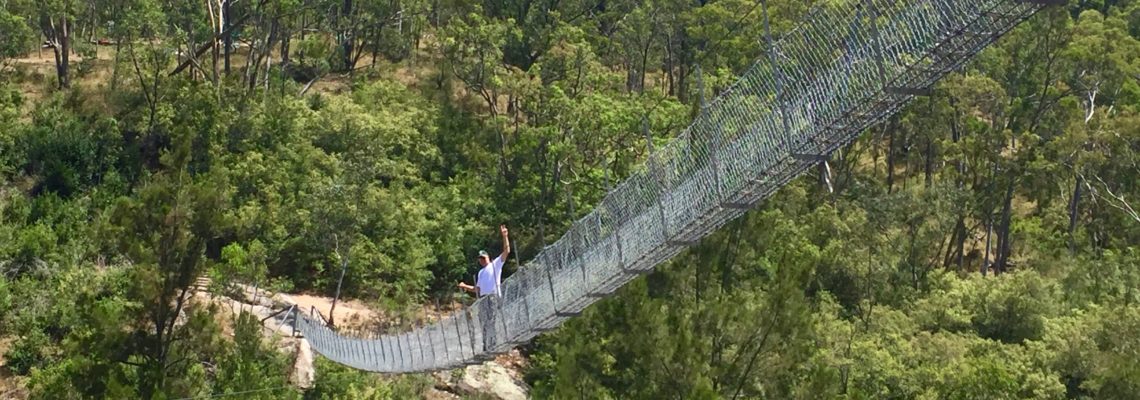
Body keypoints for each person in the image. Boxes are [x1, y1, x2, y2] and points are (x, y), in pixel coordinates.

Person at [456, 225, 510, 355]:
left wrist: (505, 236)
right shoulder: (480, 273)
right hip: (483, 298)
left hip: (492, 296)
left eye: (483, 258)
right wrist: (465, 286)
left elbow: (506, 251)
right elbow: (477, 289)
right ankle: (487, 346)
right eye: (480, 259)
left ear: (488, 258)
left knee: (490, 320)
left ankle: (492, 345)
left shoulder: (495, 264)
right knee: (483, 322)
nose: (481, 261)